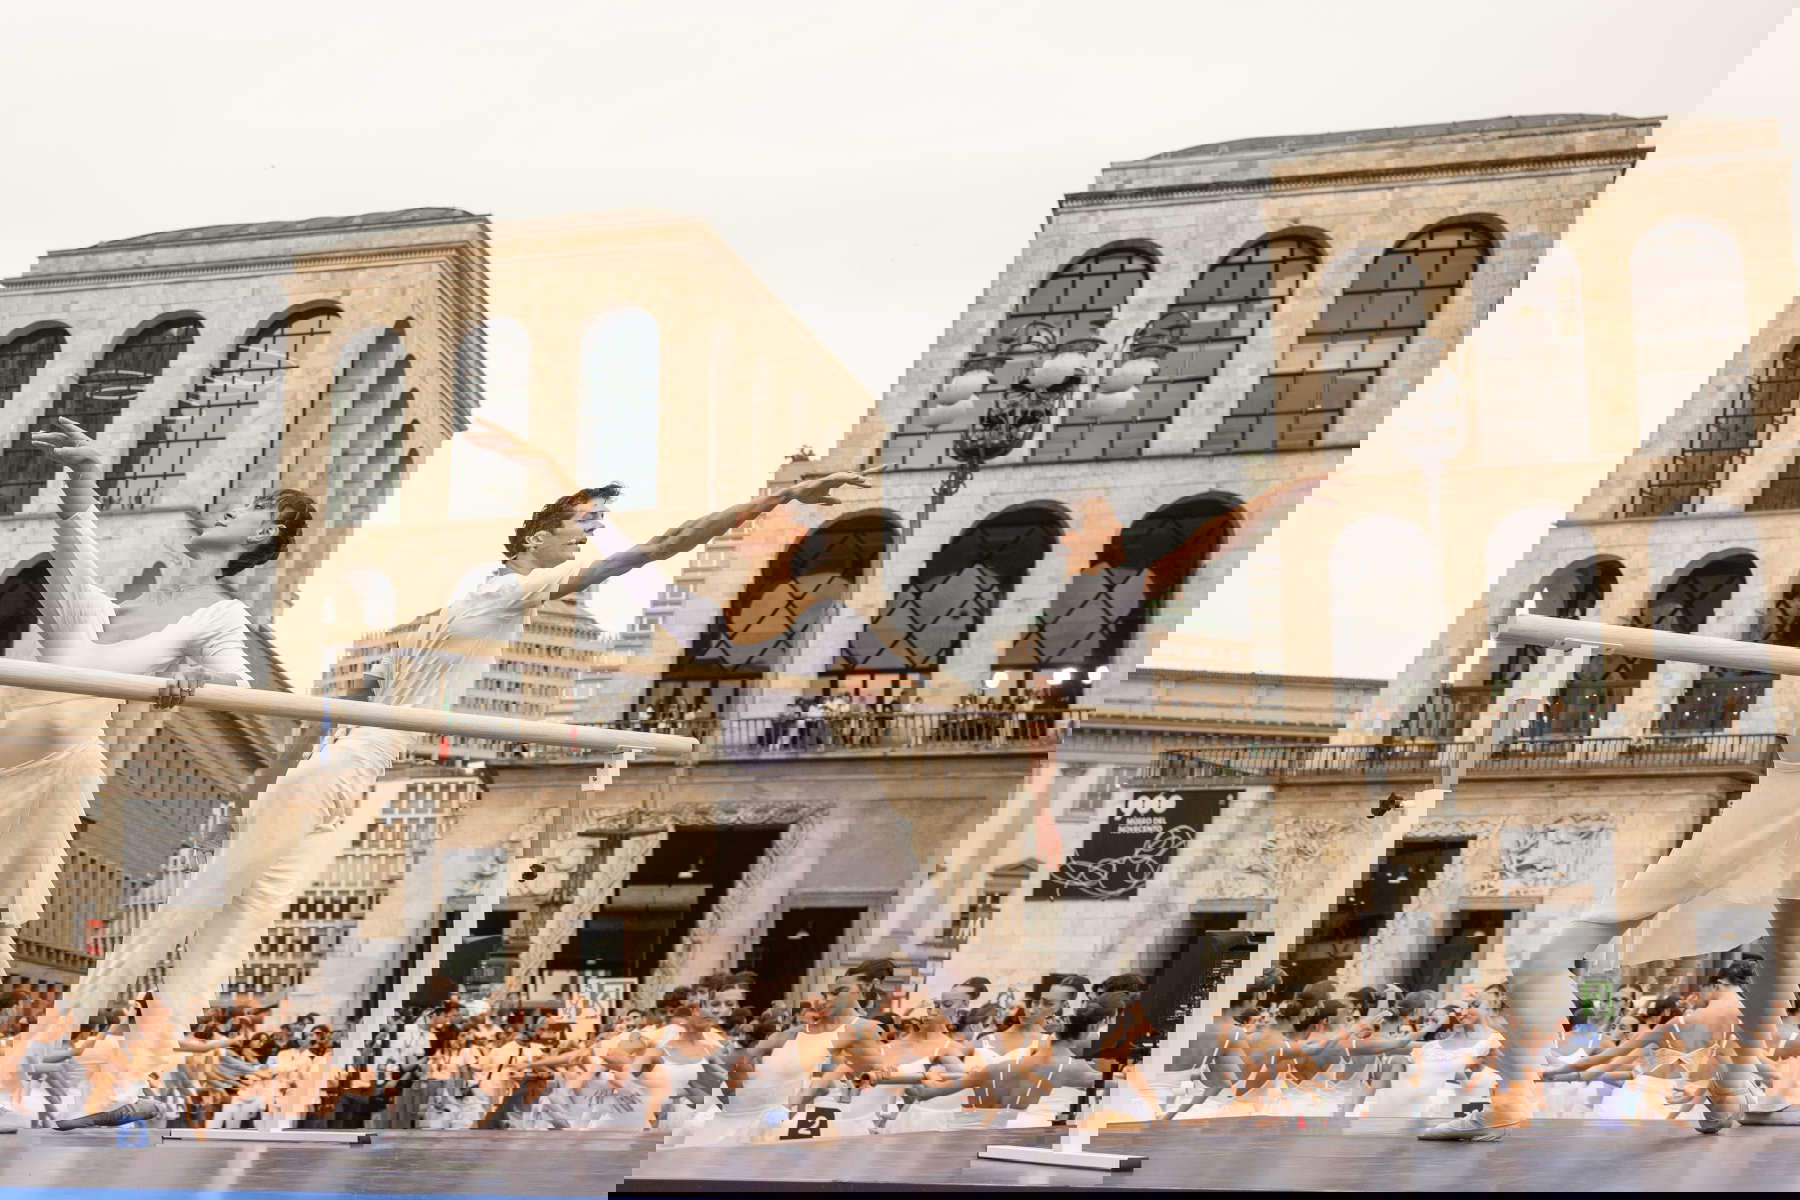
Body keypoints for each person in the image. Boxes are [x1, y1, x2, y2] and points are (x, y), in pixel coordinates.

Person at [54, 466, 874, 1085]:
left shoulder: (471, 603)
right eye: (580, 525)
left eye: (593, 531)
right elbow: (661, 547)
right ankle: (57, 1032)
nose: (587, 541)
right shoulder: (505, 593)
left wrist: (268, 777)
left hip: (359, 773)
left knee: (240, 923)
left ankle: (131, 1063)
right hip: (349, 767)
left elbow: (358, 693)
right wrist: (773, 503)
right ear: (537, 531)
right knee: (211, 901)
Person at [0, 420, 267, 977]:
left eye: (247, 511)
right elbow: (74, 547)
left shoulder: (220, 612)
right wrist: (85, 473)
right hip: (13, 717)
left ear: (262, 534)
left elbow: (231, 678)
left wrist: (197, 677)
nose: (224, 513)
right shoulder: (106, 596)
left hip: (55, 757)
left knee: (5, 903)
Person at [1421, 754, 1800, 1141]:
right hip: (1772, 811)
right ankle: (1731, 1087)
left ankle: (1508, 1104)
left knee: (1558, 948)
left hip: (1769, 811)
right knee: (1786, 952)